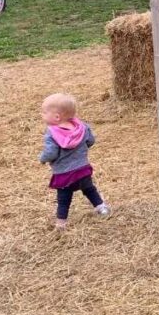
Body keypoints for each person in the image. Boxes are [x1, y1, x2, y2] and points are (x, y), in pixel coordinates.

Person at [38, 93, 111, 232]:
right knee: (89, 189)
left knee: (64, 199)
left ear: (57, 117)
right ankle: (102, 208)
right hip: (83, 169)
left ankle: (61, 223)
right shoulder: (82, 127)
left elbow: (51, 153)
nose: (42, 115)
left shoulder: (52, 133)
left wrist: (42, 158)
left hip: (65, 175)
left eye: (44, 112)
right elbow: (91, 141)